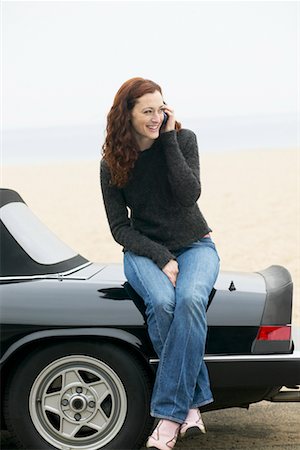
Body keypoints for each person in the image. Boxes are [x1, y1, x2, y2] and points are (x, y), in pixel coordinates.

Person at [100, 77, 220, 450]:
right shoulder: (112, 162)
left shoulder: (183, 140)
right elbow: (120, 228)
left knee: (188, 302)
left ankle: (169, 414)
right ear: (127, 115)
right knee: (163, 304)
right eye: (147, 111)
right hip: (143, 251)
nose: (156, 117)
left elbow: (189, 195)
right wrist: (161, 256)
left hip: (197, 246)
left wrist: (167, 138)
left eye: (161, 109)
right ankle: (191, 406)